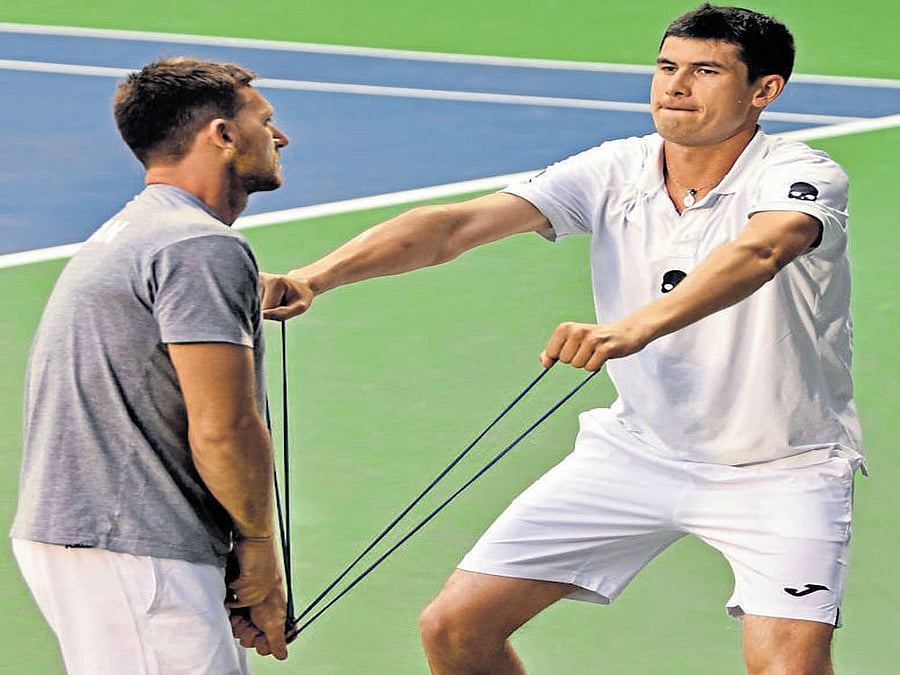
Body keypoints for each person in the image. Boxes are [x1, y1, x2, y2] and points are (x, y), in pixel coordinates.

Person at [261, 4, 864, 673]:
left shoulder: (797, 173)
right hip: (640, 451)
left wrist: (634, 324)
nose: (675, 86)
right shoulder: (615, 169)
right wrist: (317, 276)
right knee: (455, 629)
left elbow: (762, 250)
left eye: (705, 71)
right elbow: (453, 226)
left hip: (782, 469)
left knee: (788, 668)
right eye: (667, 67)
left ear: (764, 90)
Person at [11, 57, 292, 673]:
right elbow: (225, 429)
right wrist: (260, 554)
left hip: (107, 539)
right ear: (220, 135)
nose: (280, 137)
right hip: (134, 547)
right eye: (264, 121)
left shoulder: (141, 231)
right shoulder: (199, 247)